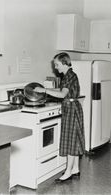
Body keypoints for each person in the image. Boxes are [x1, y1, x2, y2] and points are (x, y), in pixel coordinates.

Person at [34, 52, 85, 182]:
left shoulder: (69, 76)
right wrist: (45, 89)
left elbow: (62, 95)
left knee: (71, 140)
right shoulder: (69, 75)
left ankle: (68, 172)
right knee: (75, 139)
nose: (55, 68)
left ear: (64, 63)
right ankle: (75, 169)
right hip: (73, 108)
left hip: (71, 109)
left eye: (56, 65)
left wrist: (44, 91)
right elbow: (62, 90)